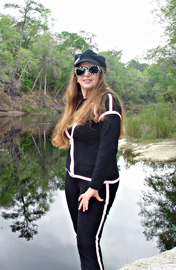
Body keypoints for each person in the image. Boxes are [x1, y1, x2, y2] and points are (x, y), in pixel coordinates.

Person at [52, 49, 125, 270]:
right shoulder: (78, 102)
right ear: (75, 74)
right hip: (73, 181)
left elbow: (108, 148)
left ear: (100, 73)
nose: (86, 73)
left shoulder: (107, 101)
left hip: (97, 185)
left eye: (92, 69)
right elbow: (76, 140)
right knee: (82, 238)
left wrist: (94, 187)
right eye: (81, 70)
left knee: (88, 242)